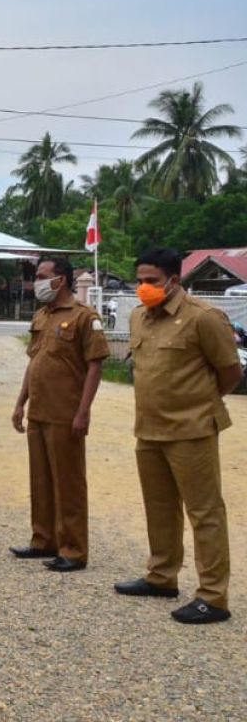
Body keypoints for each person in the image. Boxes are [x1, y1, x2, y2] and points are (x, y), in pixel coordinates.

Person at [114, 247, 242, 624]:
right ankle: (161, 576)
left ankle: (213, 596)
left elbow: (230, 372)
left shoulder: (204, 318)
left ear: (174, 279)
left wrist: (198, 403)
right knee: (159, 508)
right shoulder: (139, 318)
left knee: (205, 512)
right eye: (139, 281)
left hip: (192, 429)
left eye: (151, 281)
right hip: (149, 429)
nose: (143, 288)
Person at [10, 257, 108, 573]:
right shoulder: (42, 315)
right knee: (40, 481)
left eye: (42, 276)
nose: (37, 281)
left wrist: (84, 411)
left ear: (61, 279)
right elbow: (33, 361)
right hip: (38, 410)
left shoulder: (84, 317)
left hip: (66, 412)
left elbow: (95, 364)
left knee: (69, 483)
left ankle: (74, 549)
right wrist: (20, 402)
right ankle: (43, 540)